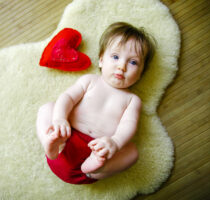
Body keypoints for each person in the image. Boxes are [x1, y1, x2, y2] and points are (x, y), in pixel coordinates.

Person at [36, 22, 155, 184]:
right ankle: (48, 142)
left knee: (132, 153)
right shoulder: (90, 81)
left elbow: (129, 125)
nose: (122, 66)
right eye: (115, 57)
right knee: (47, 108)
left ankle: (97, 171)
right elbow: (67, 98)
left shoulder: (132, 100)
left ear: (140, 74)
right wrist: (59, 119)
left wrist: (115, 142)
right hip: (65, 138)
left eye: (133, 62)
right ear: (101, 60)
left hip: (99, 153)